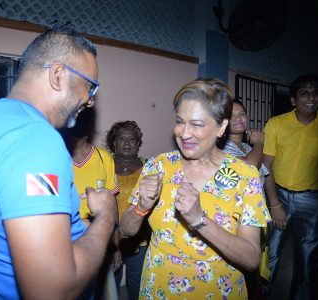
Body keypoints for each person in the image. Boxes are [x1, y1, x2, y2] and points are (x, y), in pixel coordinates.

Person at [0, 27, 117, 299]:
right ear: (58, 75)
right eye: (90, 86)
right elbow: (51, 291)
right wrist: (106, 218)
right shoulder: (34, 140)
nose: (90, 100)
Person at [120, 78, 271, 299]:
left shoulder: (245, 176)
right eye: (180, 122)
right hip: (158, 288)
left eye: (197, 124)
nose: (184, 133)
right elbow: (125, 231)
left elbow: (251, 258)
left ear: (221, 127)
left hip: (217, 290)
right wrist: (142, 207)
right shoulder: (158, 165)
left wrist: (200, 220)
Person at [263, 74, 318, 299]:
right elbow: (266, 167)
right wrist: (274, 205)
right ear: (293, 100)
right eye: (304, 93)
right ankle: (263, 294)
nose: (310, 97)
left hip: (313, 202)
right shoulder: (276, 124)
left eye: (315, 92)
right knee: (269, 254)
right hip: (278, 194)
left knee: (307, 260)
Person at [61, 107, 121, 299]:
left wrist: (116, 244)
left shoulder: (104, 158)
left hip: (98, 237)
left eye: (84, 122)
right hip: (63, 240)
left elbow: (112, 203)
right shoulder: (57, 158)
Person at [221, 99, 270, 298]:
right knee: (243, 271)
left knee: (255, 273)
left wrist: (273, 206)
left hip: (255, 218)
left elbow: (264, 176)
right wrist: (259, 142)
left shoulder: (248, 149)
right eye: (231, 115)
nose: (238, 119)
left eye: (241, 114)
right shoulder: (222, 149)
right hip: (237, 222)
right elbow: (250, 168)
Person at [106, 120, 149, 300]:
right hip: (110, 235)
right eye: (121, 138)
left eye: (132, 139)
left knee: (136, 281)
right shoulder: (105, 166)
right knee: (111, 283)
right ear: (114, 143)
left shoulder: (148, 166)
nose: (126, 143)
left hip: (139, 236)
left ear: (138, 143)